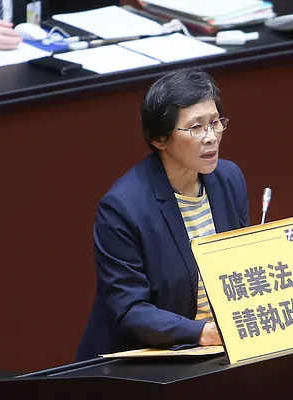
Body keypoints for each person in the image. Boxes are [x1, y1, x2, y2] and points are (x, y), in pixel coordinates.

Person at [76, 68, 250, 361]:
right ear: (160, 139)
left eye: (215, 123)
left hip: (221, 350)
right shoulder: (123, 207)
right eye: (196, 127)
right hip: (152, 361)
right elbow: (129, 310)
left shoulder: (229, 179)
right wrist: (202, 333)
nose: (211, 137)